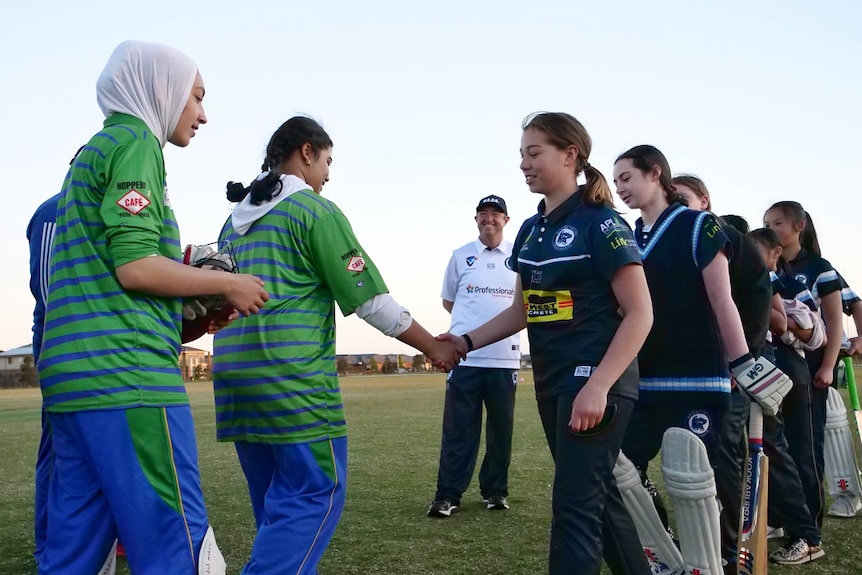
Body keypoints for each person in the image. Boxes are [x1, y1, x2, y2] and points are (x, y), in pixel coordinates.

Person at [37, 40, 270, 575]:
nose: (203, 114)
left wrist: (189, 313)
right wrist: (229, 286)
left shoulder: (89, 155)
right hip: (128, 381)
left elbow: (103, 281)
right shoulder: (137, 143)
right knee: (175, 544)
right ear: (160, 89)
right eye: (196, 97)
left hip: (72, 382)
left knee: (73, 553)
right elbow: (136, 266)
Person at [211, 116, 462, 575]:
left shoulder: (235, 221)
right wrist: (433, 346)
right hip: (291, 383)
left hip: (235, 384)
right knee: (313, 495)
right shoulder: (314, 212)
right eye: (328, 161)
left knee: (277, 511)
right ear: (306, 152)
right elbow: (370, 300)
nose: (329, 173)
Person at [441, 112, 654, 574]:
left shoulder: (601, 223)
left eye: (534, 152)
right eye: (521, 154)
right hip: (552, 381)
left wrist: (598, 385)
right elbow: (523, 310)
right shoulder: (531, 230)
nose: (524, 163)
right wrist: (464, 341)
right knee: (599, 499)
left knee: (574, 507)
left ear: (570, 154)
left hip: (596, 381)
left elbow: (641, 313)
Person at [612, 147, 788, 574]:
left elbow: (721, 297)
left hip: (697, 376)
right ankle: (663, 553)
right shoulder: (629, 235)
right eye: (615, 181)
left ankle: (717, 560)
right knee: (621, 472)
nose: (620, 189)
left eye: (627, 178)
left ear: (656, 175)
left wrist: (743, 362)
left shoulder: (700, 226)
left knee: (697, 481)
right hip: (644, 378)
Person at [671, 176, 773, 571]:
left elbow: (757, 295)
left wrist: (741, 359)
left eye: (683, 198)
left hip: (726, 370)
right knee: (685, 457)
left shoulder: (726, 236)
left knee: (723, 457)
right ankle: (693, 536)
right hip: (679, 371)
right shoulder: (667, 235)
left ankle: (731, 550)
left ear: (704, 200)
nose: (676, 204)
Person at [427, 195, 521, 517]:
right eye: (484, 214)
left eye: (496, 214)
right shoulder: (461, 256)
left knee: (501, 431)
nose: (489, 219)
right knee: (458, 430)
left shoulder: (518, 256)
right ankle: (448, 494)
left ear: (506, 220)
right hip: (466, 360)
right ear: (477, 219)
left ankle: (495, 491)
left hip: (504, 360)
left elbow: (520, 308)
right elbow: (449, 302)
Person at [763, 202, 843, 528]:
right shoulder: (770, 267)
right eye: (766, 222)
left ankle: (809, 521)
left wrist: (827, 366)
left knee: (806, 445)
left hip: (812, 366)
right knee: (778, 447)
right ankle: (782, 517)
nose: (771, 228)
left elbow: (835, 322)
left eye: (778, 222)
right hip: (779, 365)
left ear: (799, 226)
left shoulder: (819, 267)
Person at [748, 227, 826, 564]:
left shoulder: (762, 275)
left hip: (771, 366)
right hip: (757, 365)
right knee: (761, 452)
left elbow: (783, 324)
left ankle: (807, 534)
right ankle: (774, 523)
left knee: (780, 451)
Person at [26, 191, 60, 567]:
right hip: (64, 350)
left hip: (101, 354)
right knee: (59, 452)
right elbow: (51, 295)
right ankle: (48, 545)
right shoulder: (54, 210)